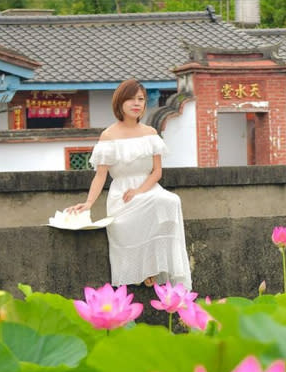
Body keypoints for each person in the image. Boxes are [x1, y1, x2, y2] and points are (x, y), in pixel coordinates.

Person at [67, 79, 192, 289]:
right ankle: (141, 271)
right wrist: (89, 203)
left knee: (170, 201)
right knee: (150, 207)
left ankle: (156, 267)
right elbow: (100, 175)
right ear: (120, 103)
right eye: (131, 99)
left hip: (147, 189)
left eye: (141, 99)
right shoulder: (108, 136)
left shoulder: (151, 133)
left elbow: (157, 172)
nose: (137, 103)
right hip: (121, 195)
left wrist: (139, 190)